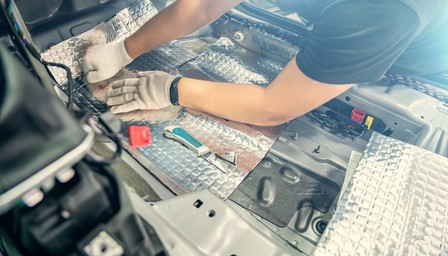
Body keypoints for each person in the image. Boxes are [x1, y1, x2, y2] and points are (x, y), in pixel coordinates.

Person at [82, 0, 448, 126]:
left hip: (412, 74)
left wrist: (170, 88)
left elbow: (274, 107)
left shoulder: (383, 13)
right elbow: (205, 5)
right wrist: (123, 50)